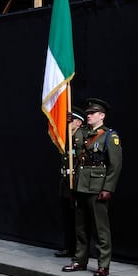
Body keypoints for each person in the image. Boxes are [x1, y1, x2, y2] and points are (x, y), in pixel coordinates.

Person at [62, 98, 122, 276]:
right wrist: (68, 125)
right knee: (81, 227)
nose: (88, 115)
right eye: (87, 113)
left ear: (101, 115)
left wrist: (108, 188)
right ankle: (80, 260)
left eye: (92, 113)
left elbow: (115, 165)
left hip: (97, 187)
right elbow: (68, 145)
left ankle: (103, 264)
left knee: (101, 229)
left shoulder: (109, 136)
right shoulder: (81, 132)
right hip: (80, 185)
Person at [54, 106, 86, 258]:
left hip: (77, 182)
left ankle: (79, 251)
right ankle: (69, 247)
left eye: (71, 120)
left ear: (79, 123)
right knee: (67, 217)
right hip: (66, 183)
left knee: (78, 220)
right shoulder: (66, 137)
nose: (68, 122)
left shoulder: (81, 137)